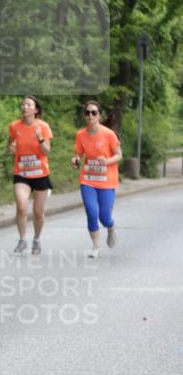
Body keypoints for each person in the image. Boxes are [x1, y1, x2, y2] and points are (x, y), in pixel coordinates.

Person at [72, 101, 122, 258]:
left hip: (107, 180)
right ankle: (95, 246)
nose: (90, 115)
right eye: (87, 112)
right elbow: (79, 154)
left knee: (104, 217)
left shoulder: (108, 134)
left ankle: (111, 227)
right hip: (88, 179)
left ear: (99, 115)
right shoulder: (80, 135)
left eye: (94, 112)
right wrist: (75, 159)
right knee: (91, 211)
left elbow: (119, 154)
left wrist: (107, 161)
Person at [8, 96, 54, 255]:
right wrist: (11, 148)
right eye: (23, 104)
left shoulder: (43, 126)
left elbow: (46, 151)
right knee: (21, 207)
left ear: (36, 110)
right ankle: (22, 240)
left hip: (40, 173)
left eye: (29, 105)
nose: (25, 107)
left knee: (38, 212)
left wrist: (40, 137)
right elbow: (10, 147)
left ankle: (37, 239)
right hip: (21, 173)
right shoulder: (14, 126)